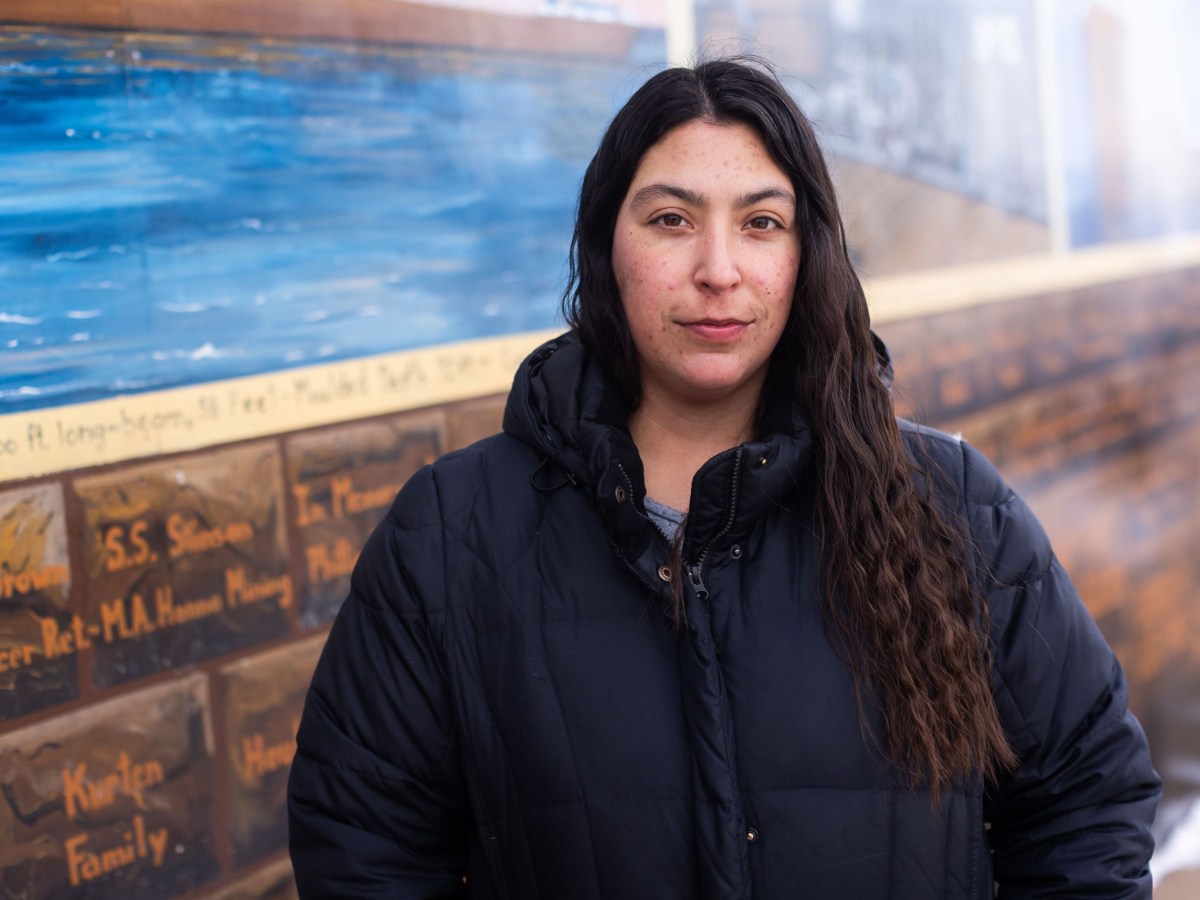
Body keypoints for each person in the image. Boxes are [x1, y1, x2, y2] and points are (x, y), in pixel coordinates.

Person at [287, 58, 1160, 898]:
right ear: (606, 247)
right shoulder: (451, 536)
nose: (718, 270)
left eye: (760, 223)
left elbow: (1084, 804)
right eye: (671, 220)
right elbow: (367, 852)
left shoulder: (951, 508)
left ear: (804, 254)